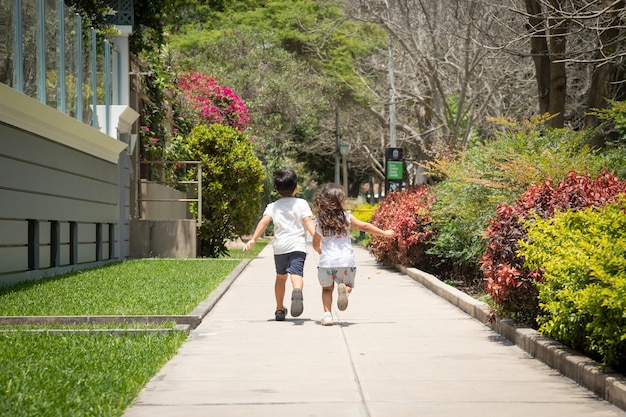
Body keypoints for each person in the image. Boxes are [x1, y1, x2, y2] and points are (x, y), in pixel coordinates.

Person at [312, 183, 395, 326]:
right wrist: (384, 233)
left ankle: (327, 316)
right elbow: (365, 226)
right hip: (346, 261)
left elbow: (315, 242)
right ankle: (345, 290)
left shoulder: (320, 222)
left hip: (327, 262)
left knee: (326, 289)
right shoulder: (347, 217)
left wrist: (318, 249)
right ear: (339, 202)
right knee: (348, 283)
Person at [243, 169, 316, 321]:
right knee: (296, 275)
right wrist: (317, 238)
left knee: (280, 278)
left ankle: (279, 309)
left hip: (280, 247)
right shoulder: (302, 203)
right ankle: (297, 290)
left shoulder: (273, 206)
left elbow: (264, 221)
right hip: (298, 246)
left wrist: (253, 239)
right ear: (296, 187)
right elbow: (308, 222)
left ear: (276, 190)